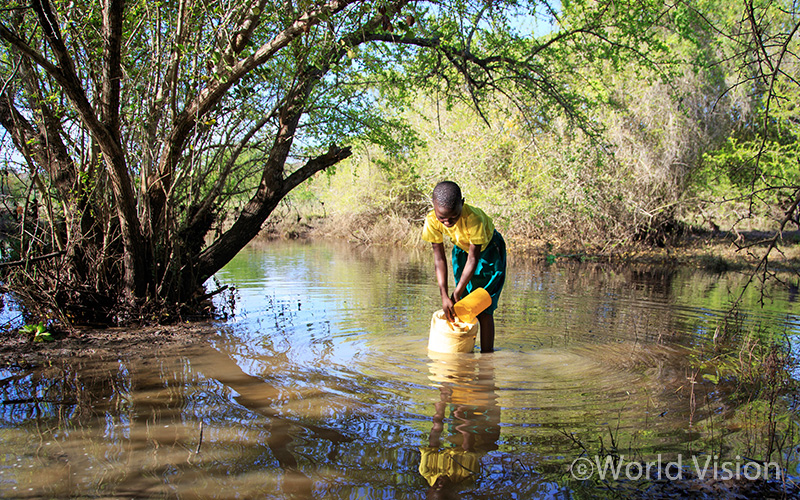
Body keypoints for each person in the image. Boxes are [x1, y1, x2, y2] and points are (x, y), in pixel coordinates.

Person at [421, 181, 506, 353]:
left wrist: (456, 292)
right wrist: (445, 294)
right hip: (461, 251)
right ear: (434, 208)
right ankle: (465, 351)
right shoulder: (431, 220)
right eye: (442, 218)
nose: (447, 222)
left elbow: (474, 258)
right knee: (462, 306)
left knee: (483, 305)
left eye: (453, 217)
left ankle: (487, 356)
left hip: (489, 252)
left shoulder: (475, 219)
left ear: (462, 203)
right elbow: (439, 259)